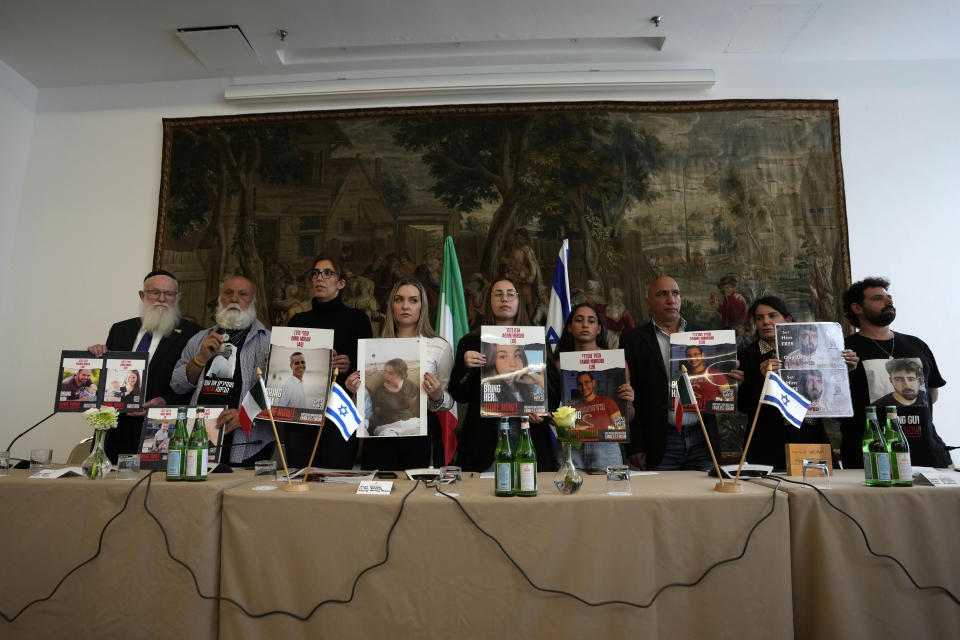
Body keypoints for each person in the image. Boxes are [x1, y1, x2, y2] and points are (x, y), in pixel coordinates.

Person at [621, 276, 743, 471]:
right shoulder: (632, 341)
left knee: (704, 499)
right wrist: (635, 445)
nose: (671, 299)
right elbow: (629, 395)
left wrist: (732, 382)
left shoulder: (703, 334)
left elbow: (715, 384)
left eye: (675, 293)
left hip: (702, 437)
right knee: (663, 501)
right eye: (662, 294)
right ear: (648, 303)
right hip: (660, 441)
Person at [87, 270, 201, 463]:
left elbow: (195, 383)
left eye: (169, 294)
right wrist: (97, 356)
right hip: (116, 429)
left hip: (160, 428)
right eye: (154, 292)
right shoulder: (120, 329)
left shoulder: (193, 334)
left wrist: (165, 401)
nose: (162, 298)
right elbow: (107, 378)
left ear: (178, 298)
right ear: (142, 295)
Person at [737, 296, 858, 469]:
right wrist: (762, 379)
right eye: (759, 318)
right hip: (766, 441)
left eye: (772, 316)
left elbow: (835, 399)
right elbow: (744, 405)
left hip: (811, 437)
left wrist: (846, 372)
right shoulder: (745, 355)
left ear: (787, 320)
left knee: (820, 491)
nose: (765, 322)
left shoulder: (817, 352)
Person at [841, 277, 950, 468]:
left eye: (888, 297)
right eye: (878, 298)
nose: (888, 301)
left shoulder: (917, 345)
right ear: (857, 308)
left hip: (927, 456)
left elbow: (932, 394)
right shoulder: (844, 350)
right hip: (871, 458)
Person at [450, 278, 557, 473]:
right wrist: (467, 366)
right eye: (498, 294)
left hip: (530, 436)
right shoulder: (471, 342)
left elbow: (554, 393)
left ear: (519, 301)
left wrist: (542, 412)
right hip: (483, 443)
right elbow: (458, 393)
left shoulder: (535, 341)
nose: (504, 299)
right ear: (489, 301)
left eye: (510, 294)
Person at [345, 279, 453, 469]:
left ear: (423, 306)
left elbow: (449, 403)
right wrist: (355, 391)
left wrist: (437, 395)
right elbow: (364, 407)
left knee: (420, 494)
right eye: (399, 300)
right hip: (381, 437)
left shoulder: (438, 345)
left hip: (421, 433)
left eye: (413, 300)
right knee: (380, 493)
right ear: (391, 306)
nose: (405, 306)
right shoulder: (375, 347)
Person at [171, 275, 273, 466]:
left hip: (249, 444)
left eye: (242, 294)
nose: (234, 299)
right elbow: (178, 386)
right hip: (199, 439)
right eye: (228, 293)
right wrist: (200, 358)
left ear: (254, 301)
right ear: (221, 298)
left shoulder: (270, 342)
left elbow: (280, 394)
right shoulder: (199, 338)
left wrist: (246, 414)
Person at [287, 254, 373, 469]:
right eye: (316, 273)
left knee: (334, 483)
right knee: (299, 480)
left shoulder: (357, 319)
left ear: (341, 283)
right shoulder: (298, 321)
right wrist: (277, 358)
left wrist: (349, 367)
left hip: (339, 415)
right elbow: (288, 368)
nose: (320, 278)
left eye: (328, 273)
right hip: (301, 415)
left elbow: (369, 370)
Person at [547, 302, 634, 471]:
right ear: (570, 327)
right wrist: (553, 418)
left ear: (599, 328)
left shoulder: (617, 364)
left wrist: (628, 402)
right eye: (579, 320)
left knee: (610, 496)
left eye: (591, 320)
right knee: (567, 496)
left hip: (606, 448)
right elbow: (551, 408)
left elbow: (627, 417)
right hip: (570, 446)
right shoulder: (558, 365)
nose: (585, 324)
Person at [481, 342, 545, 413]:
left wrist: (540, 381)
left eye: (517, 355)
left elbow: (544, 408)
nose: (513, 363)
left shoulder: (533, 387)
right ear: (492, 361)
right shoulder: (489, 388)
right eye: (503, 357)